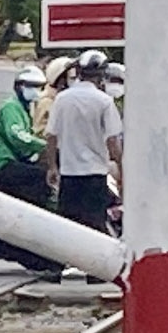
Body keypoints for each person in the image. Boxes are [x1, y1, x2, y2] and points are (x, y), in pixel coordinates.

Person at [49, 51, 122, 232]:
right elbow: (113, 142)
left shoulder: (61, 99)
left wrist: (52, 166)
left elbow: (51, 136)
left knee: (68, 229)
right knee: (94, 229)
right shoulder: (104, 102)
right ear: (102, 75)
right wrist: (121, 168)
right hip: (94, 177)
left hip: (69, 176)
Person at [0, 63, 48, 172]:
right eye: (31, 86)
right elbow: (17, 136)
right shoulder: (11, 107)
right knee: (40, 178)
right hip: (3, 163)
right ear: (19, 86)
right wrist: (44, 145)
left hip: (18, 161)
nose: (36, 90)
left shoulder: (24, 109)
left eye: (38, 87)